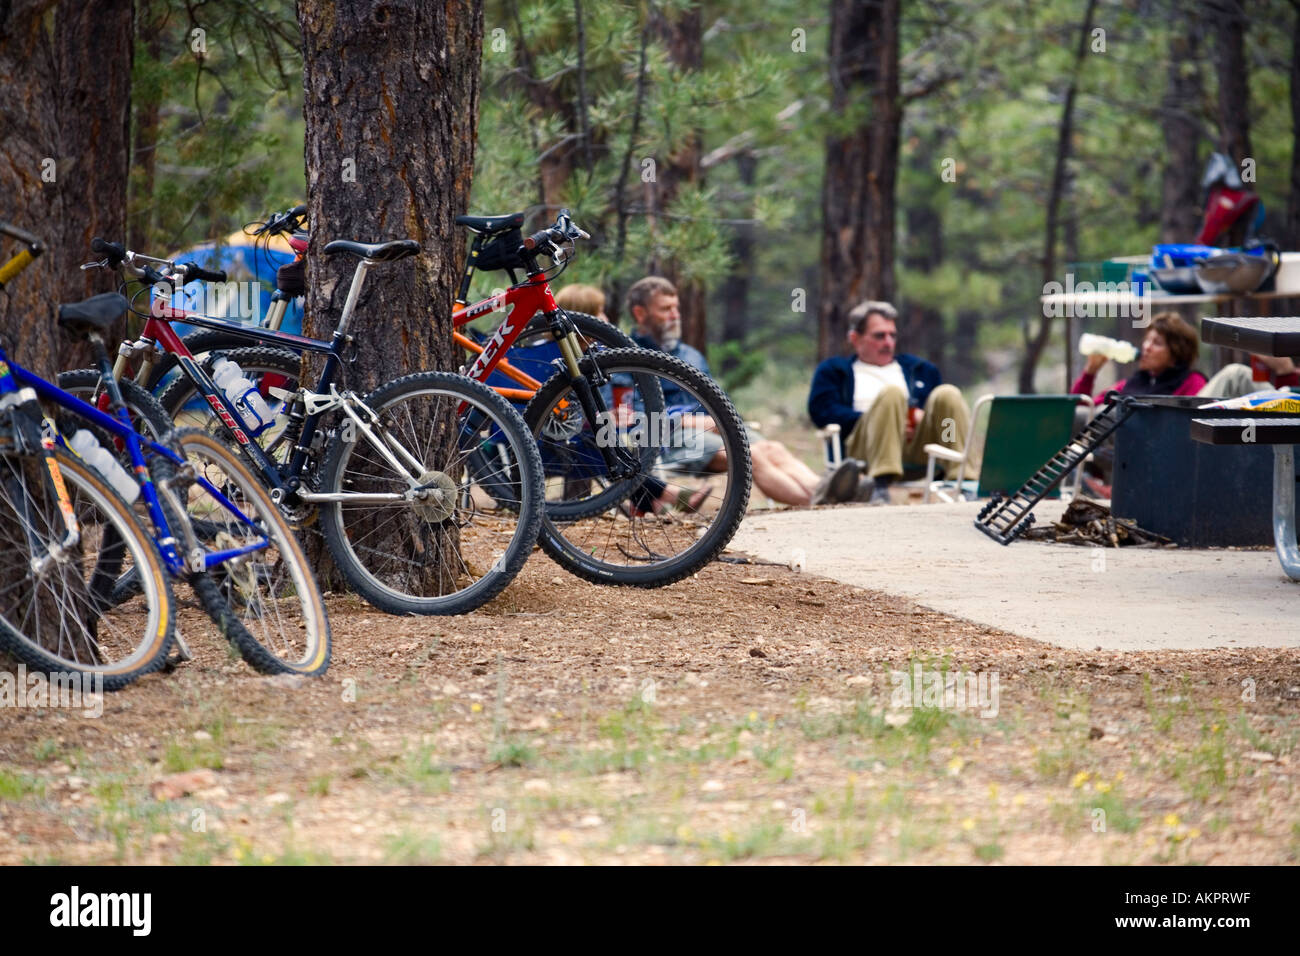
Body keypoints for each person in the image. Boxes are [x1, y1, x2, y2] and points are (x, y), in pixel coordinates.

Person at [625, 276, 830, 507]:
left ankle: (828, 491)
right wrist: (685, 421)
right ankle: (819, 503)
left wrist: (722, 419)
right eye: (665, 309)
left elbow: (718, 397)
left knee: (773, 448)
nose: (675, 315)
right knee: (751, 455)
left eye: (676, 308)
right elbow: (632, 414)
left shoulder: (691, 355)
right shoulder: (628, 356)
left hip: (715, 426)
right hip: (671, 438)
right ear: (641, 314)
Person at [808, 300, 977, 505]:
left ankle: (964, 479)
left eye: (892, 335)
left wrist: (917, 416)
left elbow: (941, 412)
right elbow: (821, 411)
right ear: (855, 338)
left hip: (918, 448)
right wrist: (878, 419)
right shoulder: (835, 370)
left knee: (948, 394)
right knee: (892, 394)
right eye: (879, 336)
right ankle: (879, 483)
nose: (888, 342)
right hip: (865, 449)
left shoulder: (921, 369)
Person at [1071, 313, 1207, 401]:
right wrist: (1090, 372)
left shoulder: (1193, 383)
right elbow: (1082, 411)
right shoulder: (1133, 383)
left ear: (1176, 354)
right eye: (1147, 340)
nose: (1146, 347)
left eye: (1157, 343)